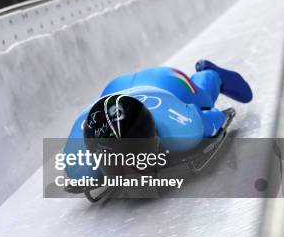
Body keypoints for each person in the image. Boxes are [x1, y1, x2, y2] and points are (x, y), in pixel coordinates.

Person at [63, 59, 252, 182]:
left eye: (135, 157)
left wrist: (211, 120)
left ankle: (208, 73)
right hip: (115, 88)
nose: (128, 169)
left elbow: (215, 116)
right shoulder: (77, 164)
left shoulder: (184, 128)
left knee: (204, 98)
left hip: (168, 81)